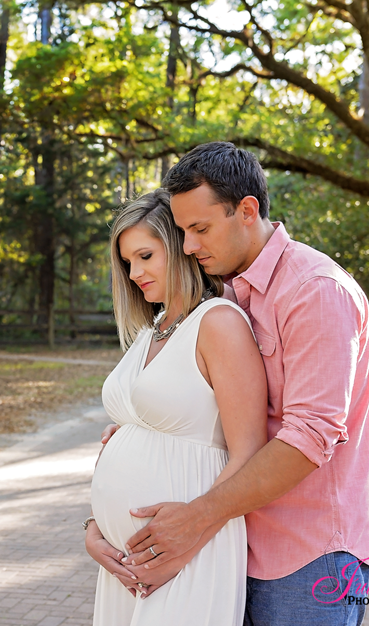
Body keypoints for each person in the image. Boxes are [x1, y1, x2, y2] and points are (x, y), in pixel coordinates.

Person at [112, 142, 369, 625]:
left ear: (248, 211)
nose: (188, 245)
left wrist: (198, 517)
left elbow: (308, 438)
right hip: (232, 546)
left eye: (200, 229)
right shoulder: (227, 289)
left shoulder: (316, 290)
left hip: (304, 558)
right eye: (183, 231)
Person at [84, 189, 268, 625]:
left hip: (187, 553)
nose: (135, 273)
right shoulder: (153, 330)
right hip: (126, 563)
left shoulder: (218, 323)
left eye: (146, 256)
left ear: (181, 247)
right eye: (128, 263)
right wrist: (95, 528)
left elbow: (248, 453)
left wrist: (183, 546)